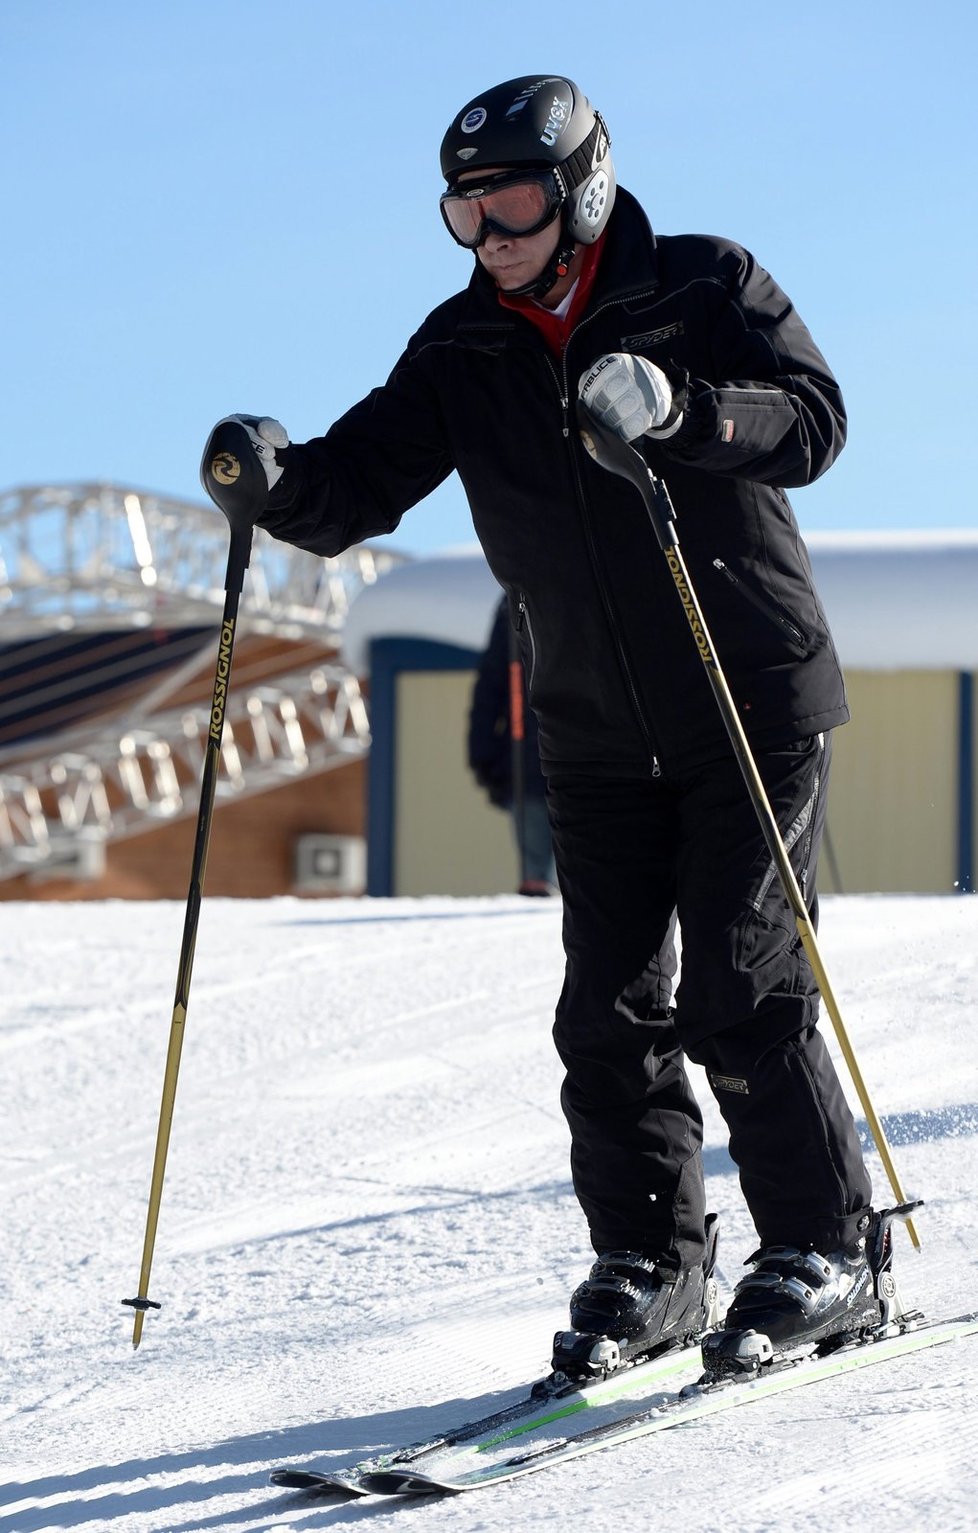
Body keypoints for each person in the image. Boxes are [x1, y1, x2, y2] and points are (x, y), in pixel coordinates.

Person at [212, 74, 890, 1374]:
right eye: (462, 213)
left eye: (511, 201)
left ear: (578, 185)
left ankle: (826, 1251)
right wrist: (275, 481)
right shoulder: (463, 348)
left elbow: (812, 423)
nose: (490, 235)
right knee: (605, 1011)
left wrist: (684, 412)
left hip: (743, 687)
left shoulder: (700, 283)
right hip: (588, 722)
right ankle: (650, 1263)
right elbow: (357, 486)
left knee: (741, 989)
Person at [468, 596, 557, 895]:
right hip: (529, 761)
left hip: (555, 759)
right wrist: (483, 757)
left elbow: (488, 691)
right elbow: (491, 689)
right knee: (545, 873)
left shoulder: (514, 599)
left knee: (564, 870)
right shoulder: (513, 603)